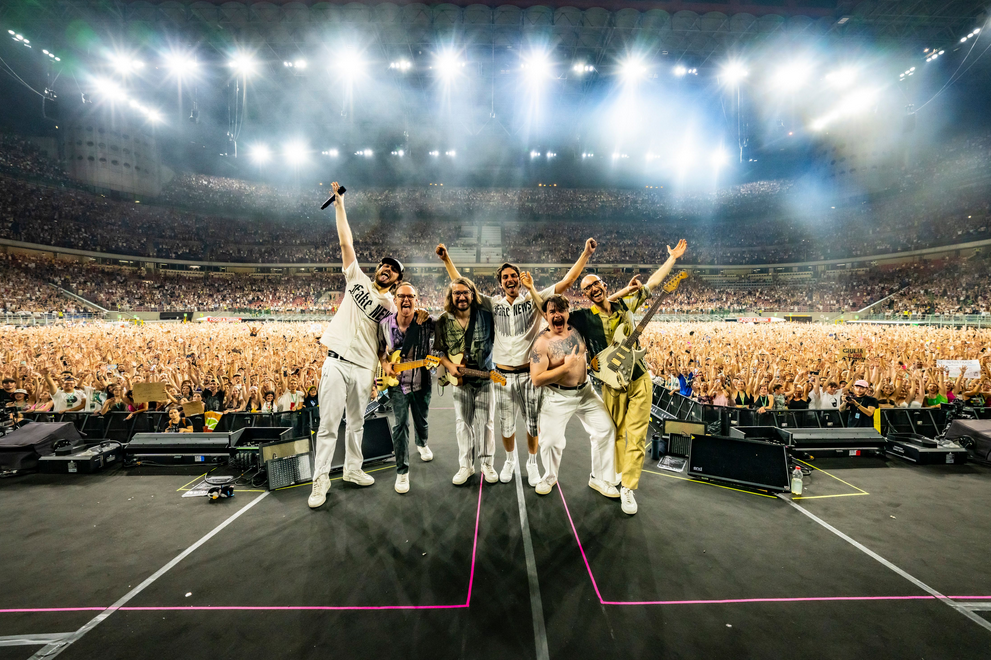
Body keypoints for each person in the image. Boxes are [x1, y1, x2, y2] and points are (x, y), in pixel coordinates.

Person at [437, 238, 598, 486]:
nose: (510, 280)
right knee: (506, 424)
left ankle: (531, 463)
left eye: (513, 275)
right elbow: (464, 286)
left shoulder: (534, 301)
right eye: (505, 277)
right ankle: (510, 460)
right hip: (501, 375)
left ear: (519, 279)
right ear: (500, 283)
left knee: (533, 423)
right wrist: (447, 260)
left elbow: (566, 282)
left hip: (528, 373)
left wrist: (585, 254)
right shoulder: (493, 304)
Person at [570, 238, 688, 515]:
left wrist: (672, 259)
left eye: (596, 284)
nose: (593, 290)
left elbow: (654, 284)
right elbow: (552, 312)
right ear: (585, 295)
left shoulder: (626, 306)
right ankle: (608, 475)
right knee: (615, 434)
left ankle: (628, 488)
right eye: (587, 288)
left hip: (639, 378)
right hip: (611, 385)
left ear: (604, 285)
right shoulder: (584, 317)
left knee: (636, 436)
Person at [309, 181, 401, 510]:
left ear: (397, 281)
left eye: (393, 271)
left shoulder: (391, 307)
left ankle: (352, 469)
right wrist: (340, 205)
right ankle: (320, 479)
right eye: (385, 266)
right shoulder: (357, 278)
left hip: (363, 368)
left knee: (357, 423)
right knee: (329, 424)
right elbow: (345, 241)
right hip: (335, 360)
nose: (386, 270)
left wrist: (381, 371)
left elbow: (386, 344)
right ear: (377, 269)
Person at [529, 294, 619, 499]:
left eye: (561, 311)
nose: (557, 315)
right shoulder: (541, 343)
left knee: (605, 429)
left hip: (586, 392)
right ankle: (549, 477)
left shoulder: (578, 328)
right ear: (546, 315)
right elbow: (536, 379)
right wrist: (565, 367)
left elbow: (606, 300)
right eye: (552, 311)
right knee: (550, 441)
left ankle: (599, 478)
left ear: (568, 313)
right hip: (557, 395)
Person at [434, 277, 497, 486]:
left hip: (485, 378)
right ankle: (465, 466)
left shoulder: (487, 316)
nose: (461, 297)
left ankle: (487, 464)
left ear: (472, 294)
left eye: (465, 292)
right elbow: (437, 352)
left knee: (486, 423)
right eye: (456, 293)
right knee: (463, 424)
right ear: (451, 297)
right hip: (459, 381)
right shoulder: (443, 320)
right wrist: (450, 366)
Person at [378, 282, 435, 494]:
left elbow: (446, 328)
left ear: (416, 300)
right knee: (400, 425)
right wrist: (385, 364)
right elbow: (380, 350)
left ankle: (422, 442)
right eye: (401, 296)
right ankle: (402, 471)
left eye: (410, 296)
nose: (406, 300)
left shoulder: (426, 323)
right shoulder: (385, 324)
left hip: (421, 381)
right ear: (395, 300)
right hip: (397, 385)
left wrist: (428, 314)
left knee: (421, 419)